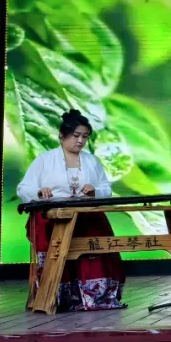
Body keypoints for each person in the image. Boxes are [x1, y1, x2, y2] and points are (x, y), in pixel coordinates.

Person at [17, 109, 126, 311]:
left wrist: (95, 191)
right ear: (62, 135)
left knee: (93, 249)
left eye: (85, 136)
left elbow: (106, 189)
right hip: (54, 218)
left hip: (86, 216)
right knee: (57, 254)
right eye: (76, 136)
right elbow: (24, 188)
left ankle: (95, 298)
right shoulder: (44, 160)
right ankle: (57, 297)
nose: (80, 141)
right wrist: (40, 192)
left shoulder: (92, 161)